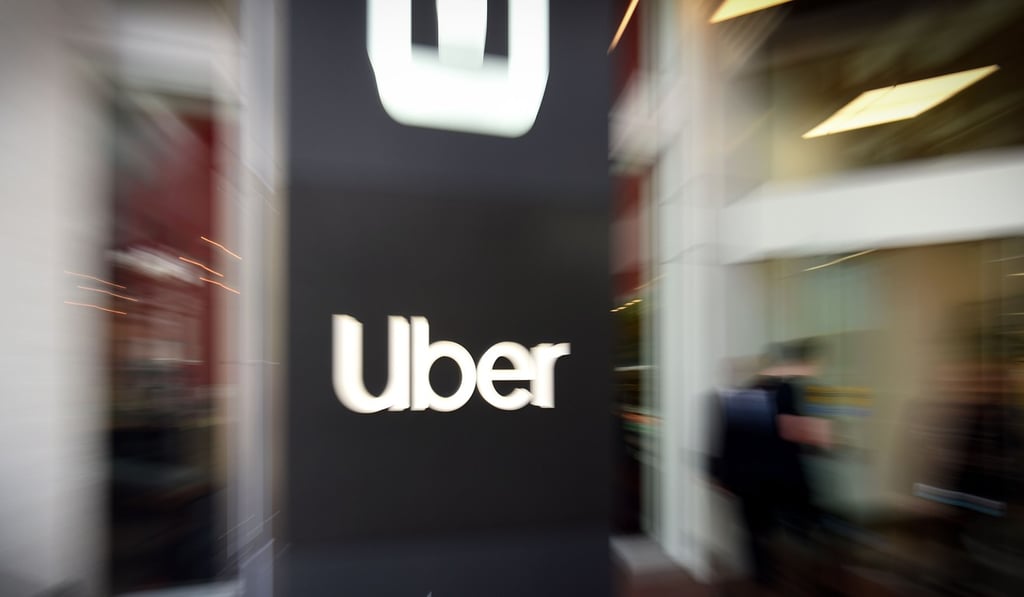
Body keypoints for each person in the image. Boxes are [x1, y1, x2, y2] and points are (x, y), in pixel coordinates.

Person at [709, 339, 831, 591]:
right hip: (782, 479)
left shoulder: (737, 397)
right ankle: (797, 579)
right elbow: (793, 431)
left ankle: (764, 581)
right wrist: (822, 435)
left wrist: (721, 475)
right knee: (796, 531)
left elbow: (726, 439)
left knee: (755, 534)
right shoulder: (784, 393)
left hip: (749, 482)